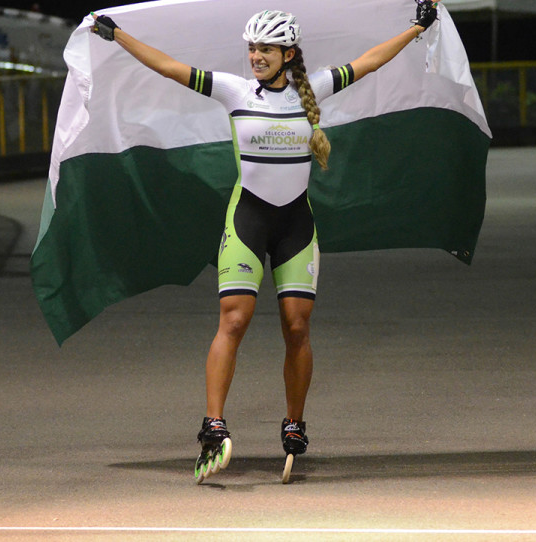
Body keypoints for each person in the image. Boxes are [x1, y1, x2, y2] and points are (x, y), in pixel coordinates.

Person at [90, 2, 440, 483]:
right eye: (252, 47)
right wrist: (119, 36)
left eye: (265, 48)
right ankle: (213, 425)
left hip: (296, 224)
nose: (255, 55)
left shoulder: (312, 88)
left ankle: (295, 424)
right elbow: (170, 68)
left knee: (297, 328)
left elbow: (373, 60)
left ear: (287, 53)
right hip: (248, 219)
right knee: (233, 319)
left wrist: (418, 28)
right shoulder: (234, 90)